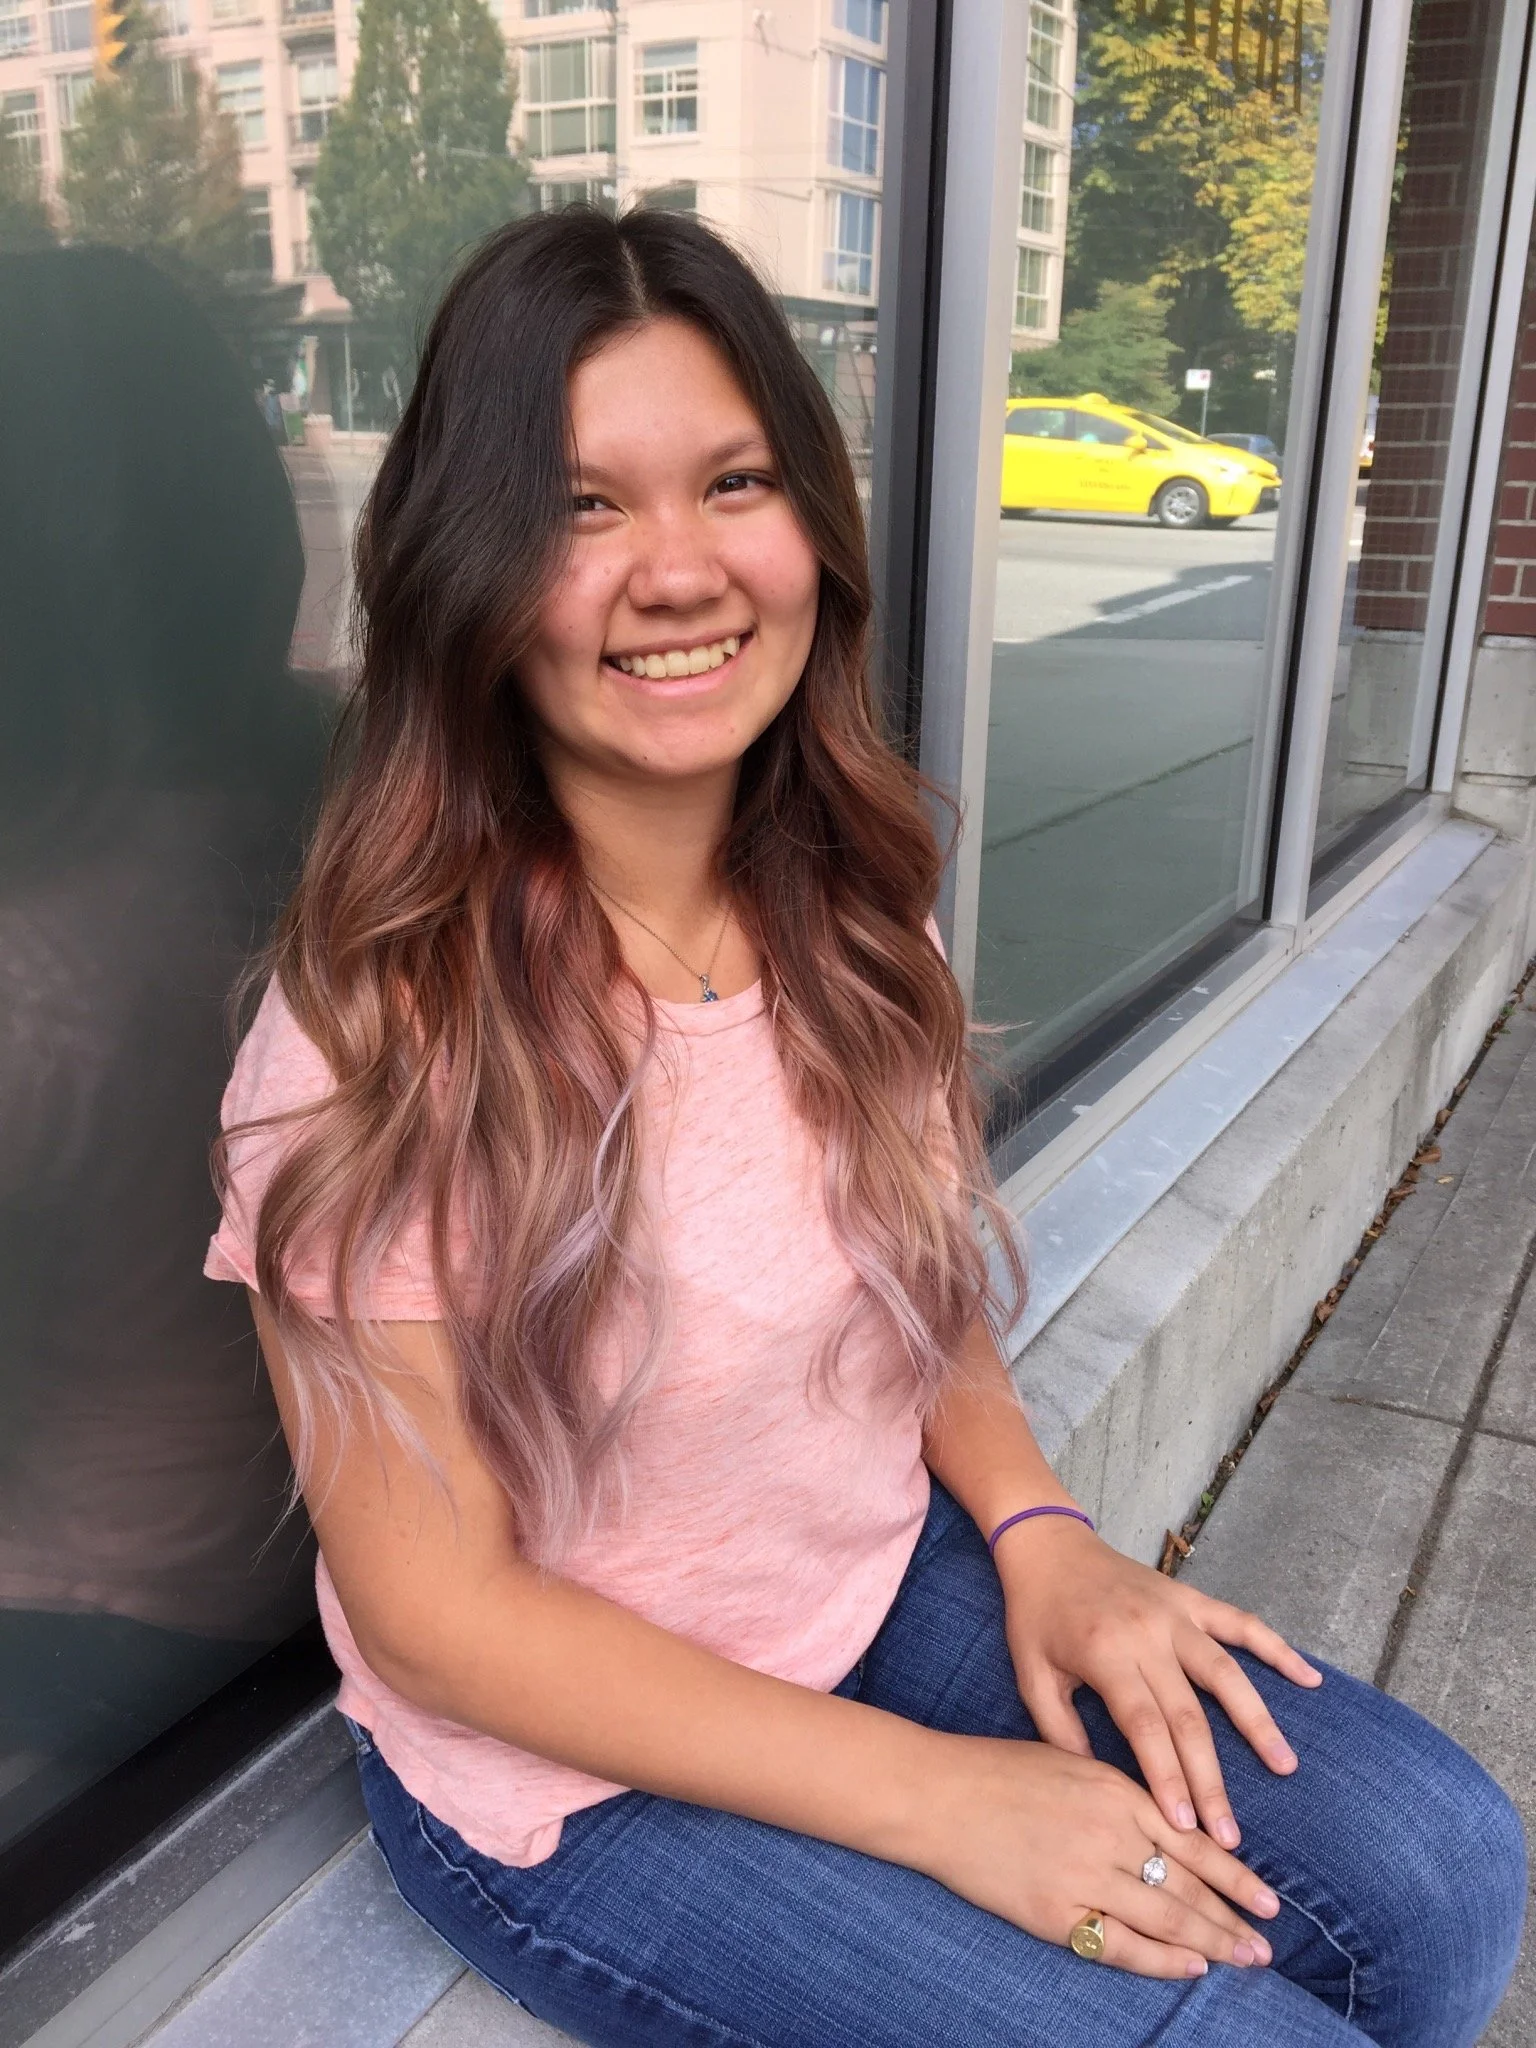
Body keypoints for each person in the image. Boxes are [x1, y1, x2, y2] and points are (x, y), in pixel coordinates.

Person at [206, 210, 1526, 2048]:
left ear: (814, 524)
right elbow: (438, 1616)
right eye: (585, 508)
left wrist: (1046, 1530)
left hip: (867, 1586)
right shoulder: (373, 1028)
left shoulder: (843, 904)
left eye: (733, 480)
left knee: (1448, 1867)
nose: (679, 570)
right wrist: (938, 1799)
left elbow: (907, 1282)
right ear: (469, 571)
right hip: (566, 1782)